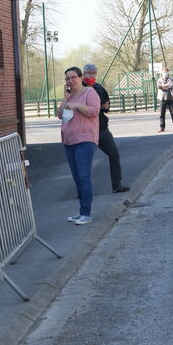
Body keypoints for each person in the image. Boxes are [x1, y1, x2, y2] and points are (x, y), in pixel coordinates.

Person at [57, 67, 100, 225]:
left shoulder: (89, 92)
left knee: (83, 177)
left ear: (80, 77)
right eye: (67, 78)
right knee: (76, 178)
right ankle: (81, 211)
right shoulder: (69, 96)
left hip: (85, 139)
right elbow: (60, 114)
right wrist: (65, 99)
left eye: (73, 77)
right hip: (69, 140)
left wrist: (76, 105)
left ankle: (86, 213)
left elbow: (94, 111)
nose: (70, 81)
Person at [82, 63, 130, 193]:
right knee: (84, 160)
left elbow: (106, 106)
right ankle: (82, 190)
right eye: (89, 73)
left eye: (94, 73)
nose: (91, 75)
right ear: (83, 74)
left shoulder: (99, 88)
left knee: (113, 153)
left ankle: (117, 184)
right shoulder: (79, 88)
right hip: (85, 129)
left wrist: (105, 106)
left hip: (101, 128)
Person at [157, 67, 173, 132]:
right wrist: (166, 86)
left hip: (170, 97)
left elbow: (171, 86)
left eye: (166, 72)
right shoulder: (159, 80)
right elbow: (159, 87)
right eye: (164, 72)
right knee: (162, 113)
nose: (165, 73)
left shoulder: (171, 79)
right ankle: (162, 128)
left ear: (168, 72)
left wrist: (164, 86)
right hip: (162, 98)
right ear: (162, 73)